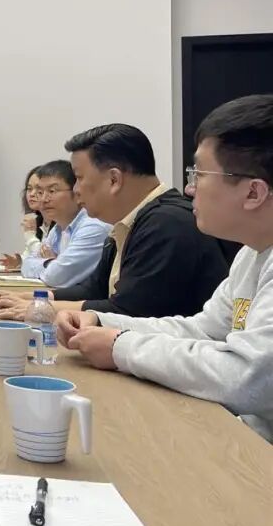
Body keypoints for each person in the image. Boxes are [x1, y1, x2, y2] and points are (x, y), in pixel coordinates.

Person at [56, 95, 273, 442]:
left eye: (199, 174)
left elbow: (247, 378)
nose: (189, 187)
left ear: (253, 193)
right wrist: (102, 322)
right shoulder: (253, 253)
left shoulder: (168, 222)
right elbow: (203, 330)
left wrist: (121, 347)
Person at [0, 123, 228, 321]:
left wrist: (39, 309)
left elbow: (127, 313)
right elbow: (94, 290)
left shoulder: (166, 224)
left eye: (79, 178)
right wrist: (31, 297)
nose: (76, 190)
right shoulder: (128, 223)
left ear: (113, 180)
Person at [16, 160, 110, 287]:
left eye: (52, 191)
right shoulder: (58, 229)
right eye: (40, 193)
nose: (43, 199)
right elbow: (27, 263)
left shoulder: (94, 227)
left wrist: (52, 265)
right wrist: (51, 263)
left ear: (76, 192)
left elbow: (56, 277)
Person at [0, 166, 51, 269]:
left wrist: (30, 236)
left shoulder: (60, 223)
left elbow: (46, 260)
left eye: (38, 189)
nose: (32, 194)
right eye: (29, 189)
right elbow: (32, 257)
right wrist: (19, 262)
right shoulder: (38, 220)